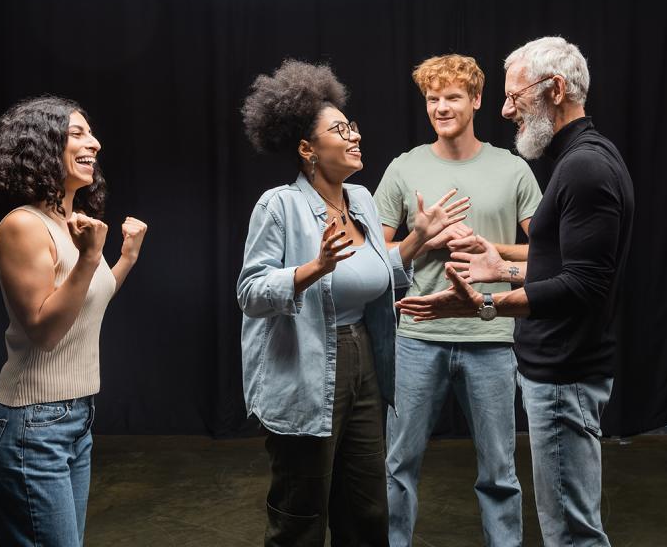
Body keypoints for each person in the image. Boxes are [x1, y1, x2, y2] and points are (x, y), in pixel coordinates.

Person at [396, 37, 635, 547]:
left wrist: (484, 300)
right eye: (432, 98)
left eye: (514, 95)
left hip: (555, 367)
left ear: (555, 89)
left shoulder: (579, 166)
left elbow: (583, 282)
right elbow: (563, 265)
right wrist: (487, 258)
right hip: (468, 349)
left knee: (567, 529)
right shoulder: (580, 161)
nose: (509, 109)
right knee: (567, 526)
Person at [237, 59, 469, 547]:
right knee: (300, 510)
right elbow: (251, 292)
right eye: (340, 130)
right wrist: (312, 270)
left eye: (352, 126)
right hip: (306, 367)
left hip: (365, 358)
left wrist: (415, 242)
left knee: (366, 508)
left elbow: (374, 271)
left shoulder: (361, 199)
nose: (354, 136)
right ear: (307, 150)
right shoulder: (278, 206)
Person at [0, 95, 148, 546]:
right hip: (30, 423)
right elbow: (45, 332)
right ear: (44, 146)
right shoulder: (23, 226)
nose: (95, 143)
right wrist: (89, 257)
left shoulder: (72, 223)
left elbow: (84, 303)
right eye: (78, 133)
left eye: (92, 133)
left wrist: (123, 259)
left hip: (74, 419)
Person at [375, 53, 540, 547]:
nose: (441, 107)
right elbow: (374, 258)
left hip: (490, 335)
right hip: (417, 338)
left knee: (499, 470)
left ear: (477, 100)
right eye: (432, 99)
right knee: (399, 464)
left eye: (452, 97)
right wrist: (423, 239)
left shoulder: (512, 170)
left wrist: (490, 249)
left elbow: (549, 255)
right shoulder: (404, 168)